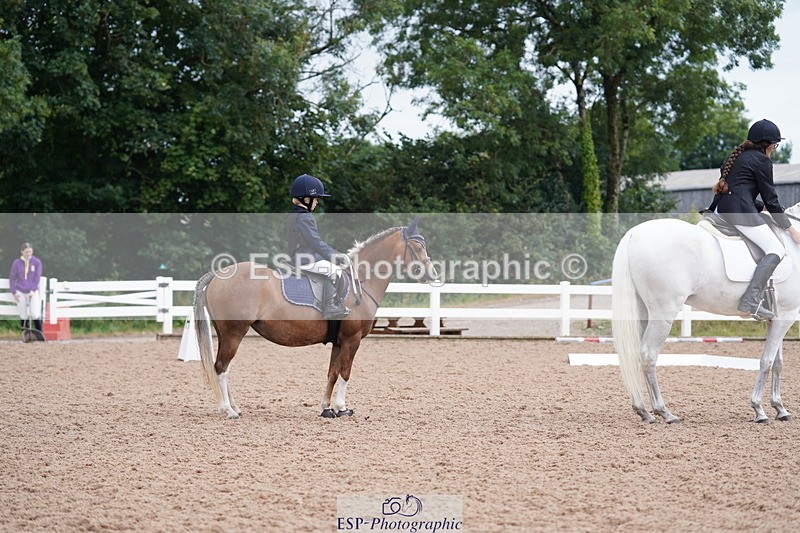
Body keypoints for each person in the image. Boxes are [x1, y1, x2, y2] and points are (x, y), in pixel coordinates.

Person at [708, 119, 800, 320]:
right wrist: (791, 230)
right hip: (739, 212)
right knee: (776, 249)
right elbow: (771, 200)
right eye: (775, 145)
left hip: (721, 209)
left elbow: (742, 192)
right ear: (768, 145)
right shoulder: (762, 160)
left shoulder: (737, 156)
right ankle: (750, 299)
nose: (774, 149)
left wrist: (764, 209)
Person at [286, 174, 350, 320]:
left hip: (297, 255)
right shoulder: (305, 217)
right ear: (306, 199)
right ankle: (330, 308)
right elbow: (316, 243)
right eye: (315, 199)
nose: (317, 203)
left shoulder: (293, 215)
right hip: (305, 258)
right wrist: (335, 256)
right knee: (335, 271)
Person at [9, 242, 44, 334]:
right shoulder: (17, 263)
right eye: (26, 252)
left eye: (30, 252)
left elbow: (37, 278)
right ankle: (25, 333)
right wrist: (14, 292)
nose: (28, 254)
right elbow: (12, 278)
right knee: (23, 314)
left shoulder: (36, 262)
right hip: (20, 291)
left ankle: (39, 332)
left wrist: (32, 290)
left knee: (34, 313)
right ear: (22, 252)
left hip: (32, 291)